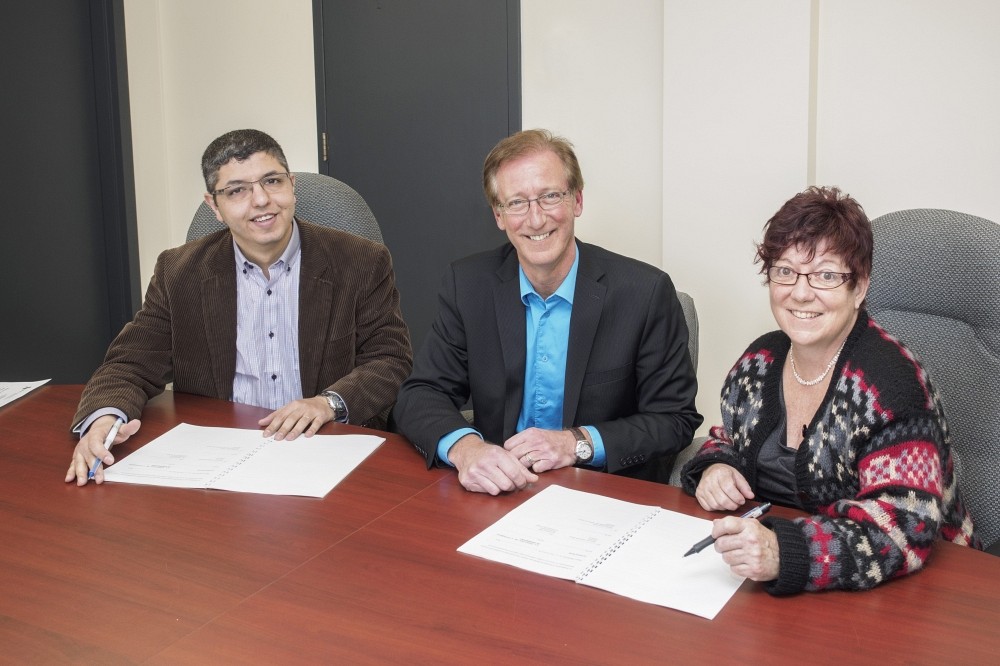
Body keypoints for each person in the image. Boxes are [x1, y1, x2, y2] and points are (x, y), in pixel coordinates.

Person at [66, 129, 412, 485]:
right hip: (218, 456)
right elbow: (129, 363)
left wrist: (328, 404)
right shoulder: (179, 272)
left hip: (325, 447)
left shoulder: (360, 261)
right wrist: (104, 419)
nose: (261, 200)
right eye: (237, 191)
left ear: (292, 186)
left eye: (272, 181)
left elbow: (390, 359)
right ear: (214, 206)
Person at [680, 186, 979, 594]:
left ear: (858, 288)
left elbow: (902, 532)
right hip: (775, 588)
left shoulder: (892, 385)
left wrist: (783, 552)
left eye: (825, 275)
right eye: (785, 271)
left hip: (923, 593)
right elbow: (727, 437)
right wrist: (716, 468)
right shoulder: (760, 360)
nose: (801, 293)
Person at [392, 129, 702, 494]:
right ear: (499, 216)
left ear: (577, 201)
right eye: (517, 203)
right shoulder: (469, 285)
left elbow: (674, 419)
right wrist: (466, 449)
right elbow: (421, 393)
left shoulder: (644, 293)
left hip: (603, 492)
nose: (535, 219)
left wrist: (576, 443)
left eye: (550, 196)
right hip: (501, 489)